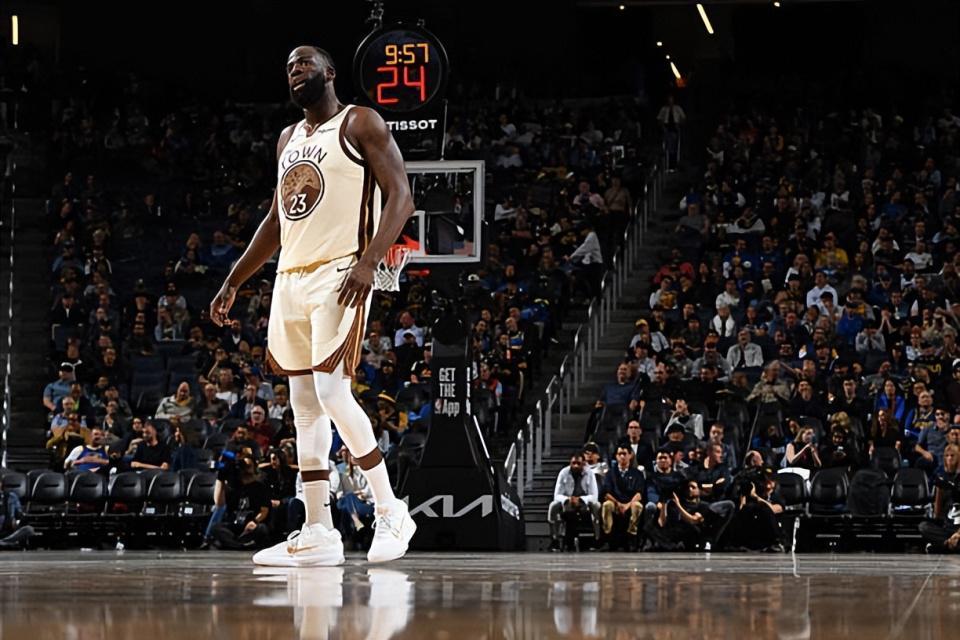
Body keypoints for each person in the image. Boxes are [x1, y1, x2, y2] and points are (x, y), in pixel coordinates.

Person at [211, 46, 416, 567]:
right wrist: (234, 280)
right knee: (303, 406)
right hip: (291, 278)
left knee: (331, 392)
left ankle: (391, 509)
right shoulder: (287, 139)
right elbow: (276, 220)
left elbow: (401, 196)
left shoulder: (360, 121)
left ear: (329, 72)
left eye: (304, 63)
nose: (295, 70)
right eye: (288, 67)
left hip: (340, 271)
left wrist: (369, 262)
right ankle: (319, 529)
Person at [547, 453, 601, 551]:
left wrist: (581, 499)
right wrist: (567, 499)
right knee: (553, 506)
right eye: (573, 463)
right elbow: (557, 495)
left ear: (583, 464)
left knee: (596, 505)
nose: (576, 466)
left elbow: (594, 496)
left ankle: (597, 539)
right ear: (570, 463)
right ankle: (555, 540)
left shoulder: (590, 473)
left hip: (584, 503)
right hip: (568, 502)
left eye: (578, 463)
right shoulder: (563, 473)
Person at [599, 446, 645, 549]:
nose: (622, 456)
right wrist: (618, 504)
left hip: (630, 503)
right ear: (616, 456)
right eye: (620, 454)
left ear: (630, 455)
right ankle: (607, 536)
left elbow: (639, 494)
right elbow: (606, 493)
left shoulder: (637, 473)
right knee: (607, 505)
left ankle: (632, 536)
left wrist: (628, 505)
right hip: (615, 502)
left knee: (637, 506)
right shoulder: (610, 473)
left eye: (624, 454)